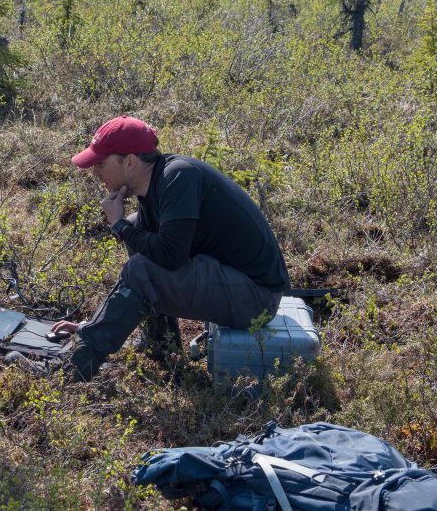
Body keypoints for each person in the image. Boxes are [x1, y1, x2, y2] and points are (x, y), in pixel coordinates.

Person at [27, 116, 290, 382]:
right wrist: (95, 324)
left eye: (102, 163)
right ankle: (162, 346)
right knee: (136, 230)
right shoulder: (154, 184)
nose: (95, 172)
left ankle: (72, 369)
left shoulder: (178, 176)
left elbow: (170, 256)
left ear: (129, 161)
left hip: (256, 298)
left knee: (140, 265)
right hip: (235, 284)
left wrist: (118, 224)